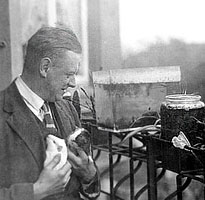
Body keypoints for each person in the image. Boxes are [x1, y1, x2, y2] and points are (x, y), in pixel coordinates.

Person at [0, 26, 100, 200]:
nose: (73, 83)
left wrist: (89, 175)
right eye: (69, 74)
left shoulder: (67, 109)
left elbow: (84, 181)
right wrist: (36, 192)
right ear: (45, 67)